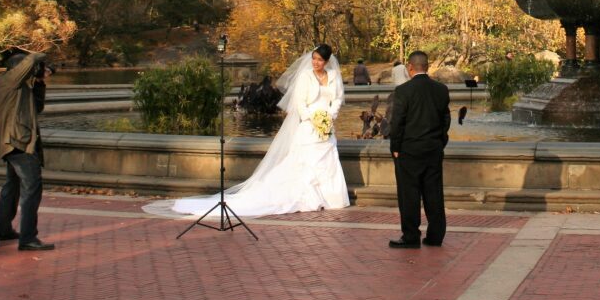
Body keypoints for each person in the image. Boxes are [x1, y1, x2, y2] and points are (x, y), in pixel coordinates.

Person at [144, 44, 349, 218]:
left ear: (327, 61)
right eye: (314, 59)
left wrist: (330, 117)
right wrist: (312, 119)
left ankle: (329, 197)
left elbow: (338, 98)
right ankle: (309, 196)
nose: (315, 63)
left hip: (327, 125)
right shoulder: (305, 76)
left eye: (320, 60)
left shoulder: (333, 76)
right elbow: (299, 103)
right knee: (306, 162)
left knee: (327, 160)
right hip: (308, 125)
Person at [387, 51, 451, 249]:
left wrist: (395, 147)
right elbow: (445, 120)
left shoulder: (403, 91)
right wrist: (440, 141)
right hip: (433, 149)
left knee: (409, 194)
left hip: (409, 149)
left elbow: (397, 122)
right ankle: (435, 235)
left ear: (410, 67)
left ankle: (411, 236)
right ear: (428, 66)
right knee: (434, 192)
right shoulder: (441, 89)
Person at [0, 51, 55, 251]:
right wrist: (41, 53)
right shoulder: (7, 81)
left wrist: (39, 82)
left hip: (16, 142)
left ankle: (3, 229)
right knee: (32, 188)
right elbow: (29, 62)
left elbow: (37, 108)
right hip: (18, 142)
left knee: (12, 186)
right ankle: (28, 238)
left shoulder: (20, 87)